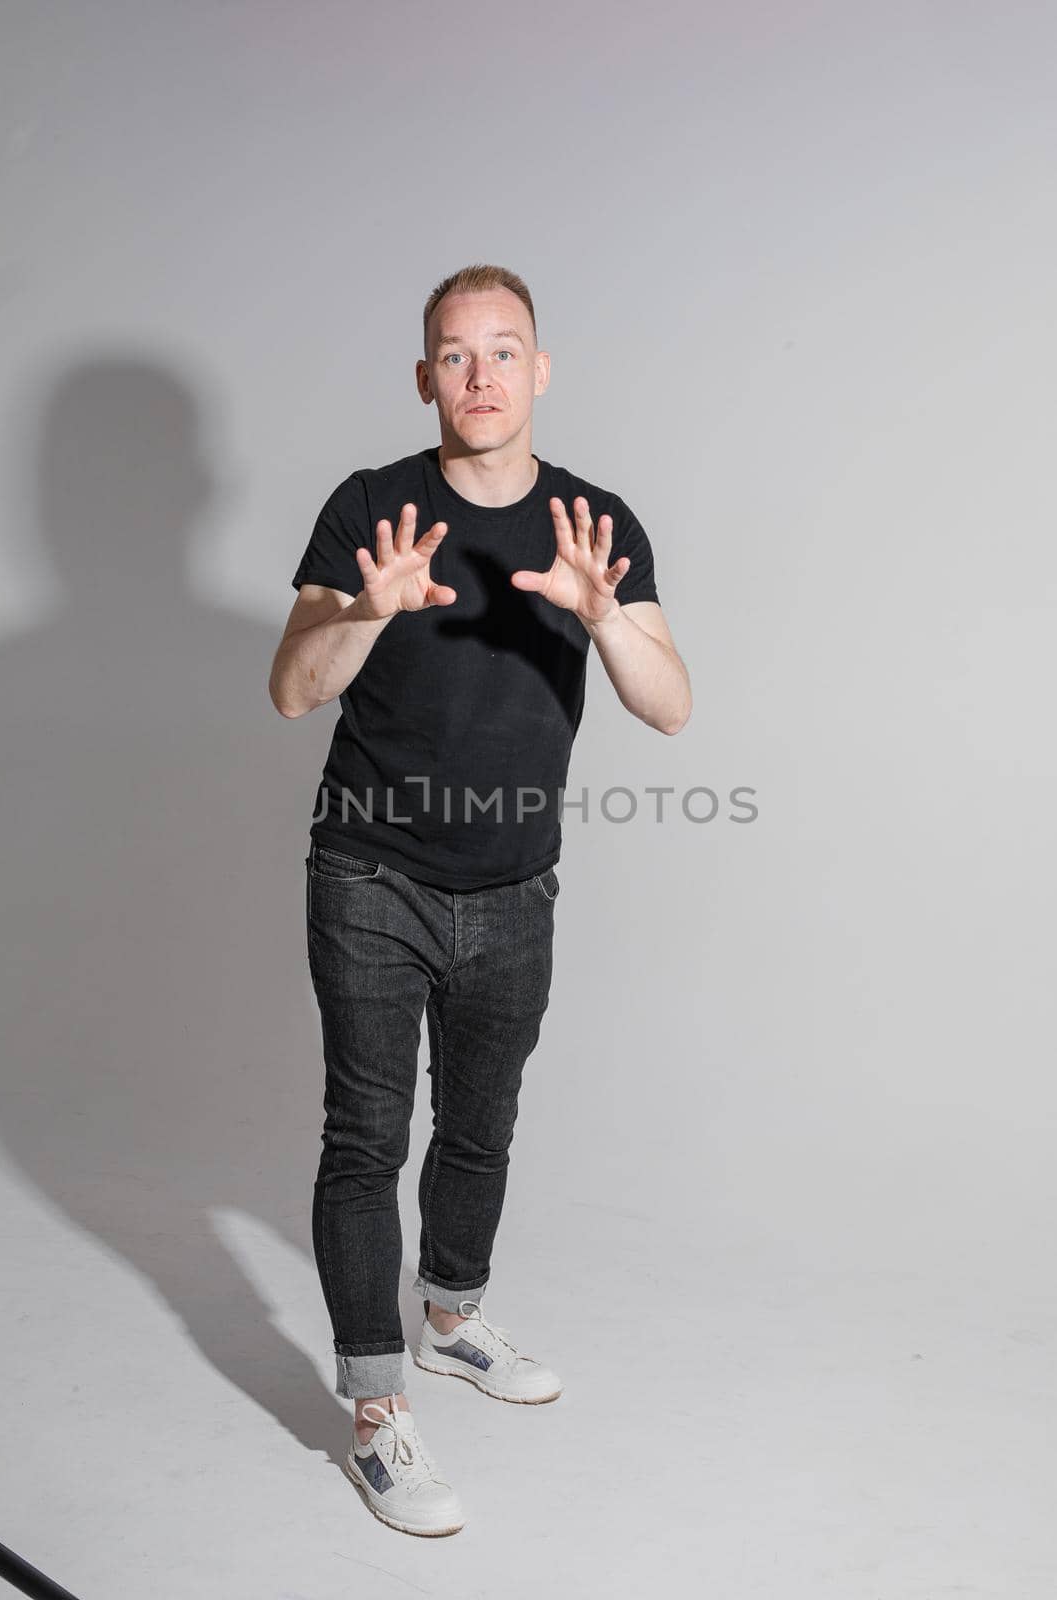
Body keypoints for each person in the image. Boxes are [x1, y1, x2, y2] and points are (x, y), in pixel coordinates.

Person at [269, 263, 691, 1536]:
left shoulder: (594, 521)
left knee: (482, 1124)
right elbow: (292, 687)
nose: (480, 377)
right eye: (454, 355)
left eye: (502, 352)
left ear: (539, 369)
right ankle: (375, 1409)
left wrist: (605, 617)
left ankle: (449, 1317)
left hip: (513, 882)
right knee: (365, 1138)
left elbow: (668, 703)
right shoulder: (368, 508)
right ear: (424, 377)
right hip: (369, 871)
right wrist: (364, 608)